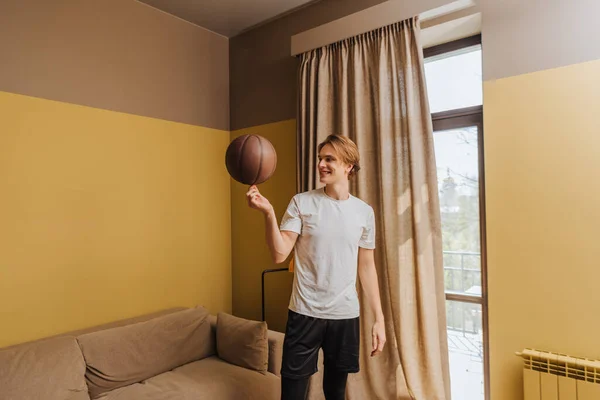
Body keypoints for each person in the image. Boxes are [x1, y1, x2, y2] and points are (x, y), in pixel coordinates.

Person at [246, 134, 386, 400]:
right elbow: (279, 254)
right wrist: (268, 213)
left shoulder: (364, 212)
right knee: (293, 393)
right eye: (320, 158)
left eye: (329, 159)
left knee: (335, 393)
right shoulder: (302, 202)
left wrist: (379, 319)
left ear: (348, 166)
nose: (321, 164)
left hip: (344, 316)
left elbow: (367, 267)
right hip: (303, 313)